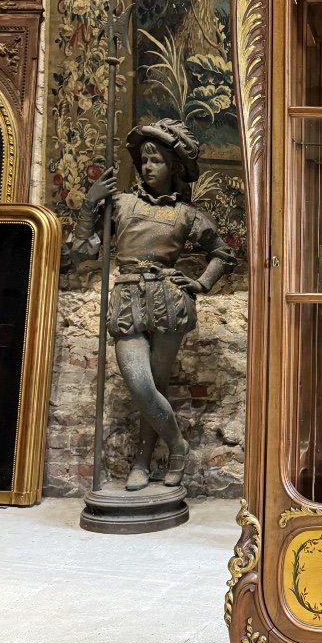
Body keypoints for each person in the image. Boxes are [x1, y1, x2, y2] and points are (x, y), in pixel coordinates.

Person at [72, 119, 235, 490]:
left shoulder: (187, 215)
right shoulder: (122, 204)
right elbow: (82, 251)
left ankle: (142, 463)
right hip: (127, 297)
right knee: (141, 385)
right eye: (144, 160)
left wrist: (199, 283)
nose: (147, 167)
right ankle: (178, 446)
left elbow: (222, 254)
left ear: (174, 166)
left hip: (168, 301)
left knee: (156, 385)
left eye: (156, 160)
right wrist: (89, 205)